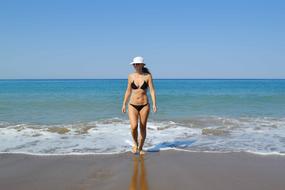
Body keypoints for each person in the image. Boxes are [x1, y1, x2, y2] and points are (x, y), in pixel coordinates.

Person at [122, 56, 157, 155]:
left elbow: (152, 90)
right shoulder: (130, 76)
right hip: (132, 105)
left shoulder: (148, 76)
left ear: (142, 65)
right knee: (133, 126)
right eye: (134, 64)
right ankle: (135, 144)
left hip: (144, 105)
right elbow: (128, 91)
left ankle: (140, 148)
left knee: (142, 126)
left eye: (137, 64)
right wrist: (124, 104)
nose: (135, 65)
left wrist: (154, 104)